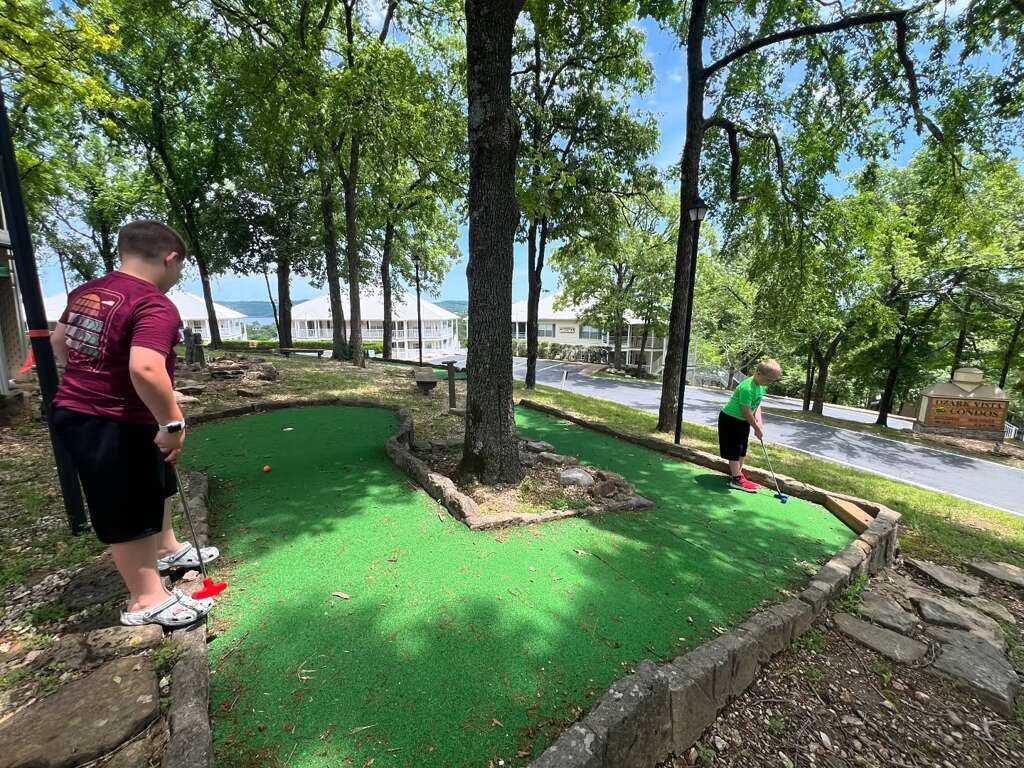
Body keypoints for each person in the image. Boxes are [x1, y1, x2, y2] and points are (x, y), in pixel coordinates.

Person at [51, 220, 218, 627]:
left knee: (153, 484)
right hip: (108, 420)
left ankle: (165, 548)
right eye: (181, 268)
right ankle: (146, 598)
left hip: (92, 410)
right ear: (170, 258)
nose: (178, 276)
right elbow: (145, 367)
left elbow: (59, 345)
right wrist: (173, 422)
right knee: (123, 502)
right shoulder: (153, 303)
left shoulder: (87, 292)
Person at [718, 359, 782, 493]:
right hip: (731, 419)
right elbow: (746, 411)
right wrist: (756, 428)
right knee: (733, 450)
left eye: (773, 381)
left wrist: (759, 421)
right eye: (769, 379)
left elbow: (757, 404)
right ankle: (737, 479)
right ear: (758, 373)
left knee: (742, 449)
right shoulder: (747, 388)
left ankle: (737, 475)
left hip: (743, 421)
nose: (770, 383)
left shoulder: (762, 386)